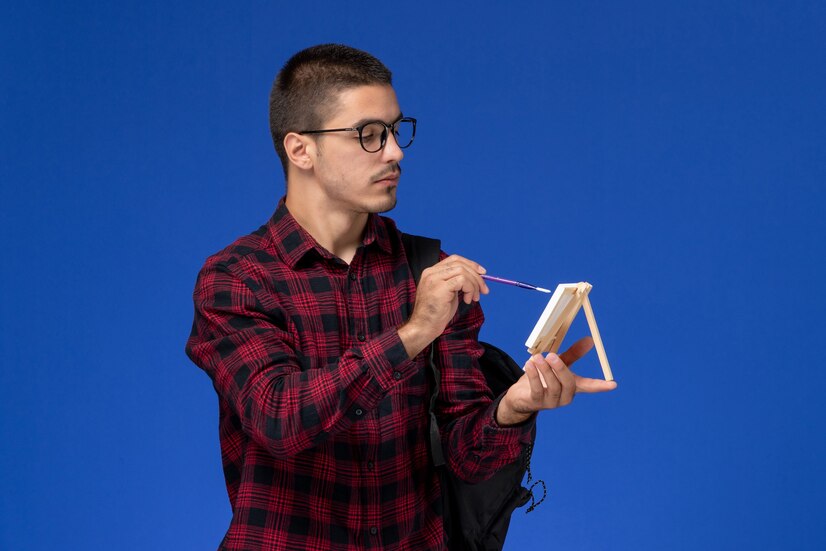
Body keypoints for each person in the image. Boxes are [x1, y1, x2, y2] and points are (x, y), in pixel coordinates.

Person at [185, 43, 616, 551]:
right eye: (368, 134)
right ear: (301, 150)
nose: (394, 152)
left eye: (394, 130)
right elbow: (278, 417)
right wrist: (412, 334)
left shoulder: (429, 271)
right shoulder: (237, 278)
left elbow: (466, 456)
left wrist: (513, 409)